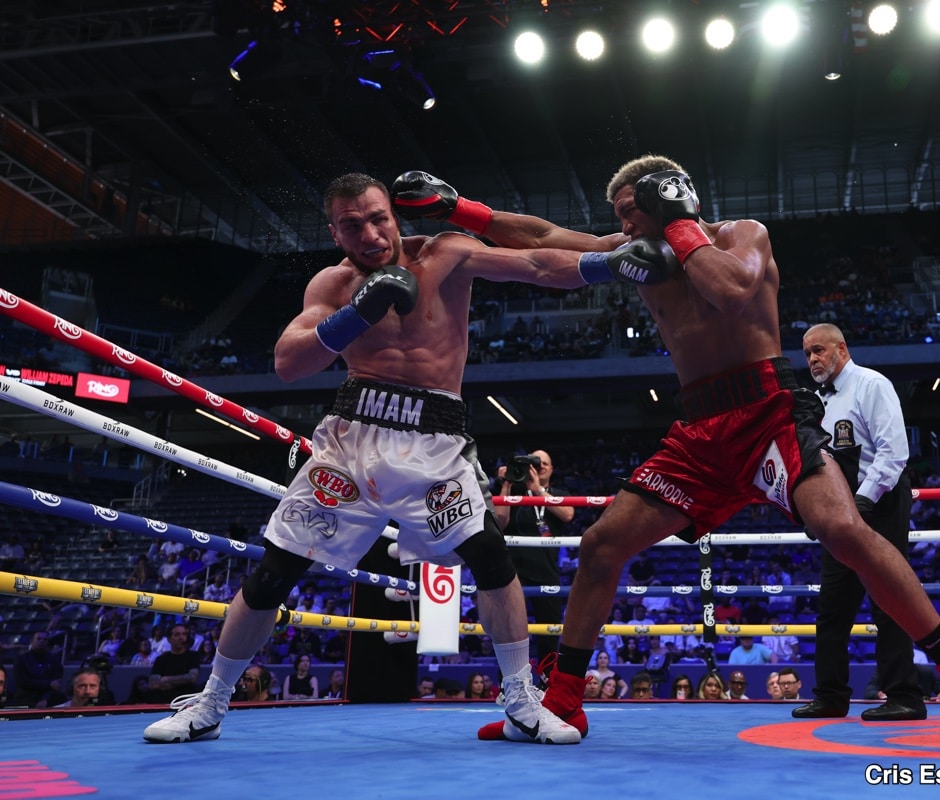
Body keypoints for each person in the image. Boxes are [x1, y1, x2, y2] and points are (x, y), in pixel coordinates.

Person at [409, 158, 940, 748]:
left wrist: (680, 223)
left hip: (766, 413)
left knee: (844, 531)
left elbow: (732, 291)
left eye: (634, 209)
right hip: (699, 432)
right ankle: (566, 699)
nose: (624, 226)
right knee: (601, 545)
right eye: (621, 215)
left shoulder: (742, 235)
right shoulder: (633, 251)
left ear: (670, 196)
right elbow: (543, 233)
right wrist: (455, 208)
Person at [142, 172, 674, 745]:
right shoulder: (334, 283)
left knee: (492, 562)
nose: (370, 234)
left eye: (378, 219)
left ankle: (522, 701)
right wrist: (358, 314)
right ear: (335, 232)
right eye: (353, 226)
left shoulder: (446, 254)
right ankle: (211, 704)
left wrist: (607, 263)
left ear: (395, 215)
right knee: (276, 572)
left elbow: (540, 265)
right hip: (350, 444)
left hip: (436, 444)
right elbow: (288, 362)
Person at [792, 323, 925, 723]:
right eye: (807, 354)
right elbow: (820, 465)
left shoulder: (872, 384)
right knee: (833, 606)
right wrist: (817, 510)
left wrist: (861, 505)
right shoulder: (817, 401)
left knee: (888, 600)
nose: (812, 359)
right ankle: (831, 696)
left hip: (880, 504)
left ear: (841, 348)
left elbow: (893, 453)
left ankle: (905, 697)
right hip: (842, 511)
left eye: (818, 350)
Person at [493, 448, 573, 661]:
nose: (540, 468)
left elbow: (568, 514)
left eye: (544, 464)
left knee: (549, 632)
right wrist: (507, 483)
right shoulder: (513, 494)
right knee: (510, 628)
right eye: (535, 464)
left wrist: (537, 490)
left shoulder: (558, 494)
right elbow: (499, 523)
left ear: (552, 469)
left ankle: (546, 683)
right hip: (514, 571)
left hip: (546, 571)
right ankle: (509, 682)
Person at [148, 624, 202, 704]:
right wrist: (182, 681)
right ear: (169, 639)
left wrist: (166, 679)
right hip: (164, 700)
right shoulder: (161, 659)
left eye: (184, 634)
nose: (181, 637)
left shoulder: (193, 656)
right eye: (177, 635)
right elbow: (153, 684)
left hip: (186, 701)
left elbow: (191, 678)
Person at [12, 630, 64, 708]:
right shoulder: (21, 659)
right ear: (32, 641)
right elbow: (22, 681)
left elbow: (56, 682)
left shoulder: (54, 659)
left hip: (48, 698)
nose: (42, 641)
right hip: (26, 697)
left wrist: (46, 699)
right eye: (39, 639)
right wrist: (48, 683)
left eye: (45, 639)